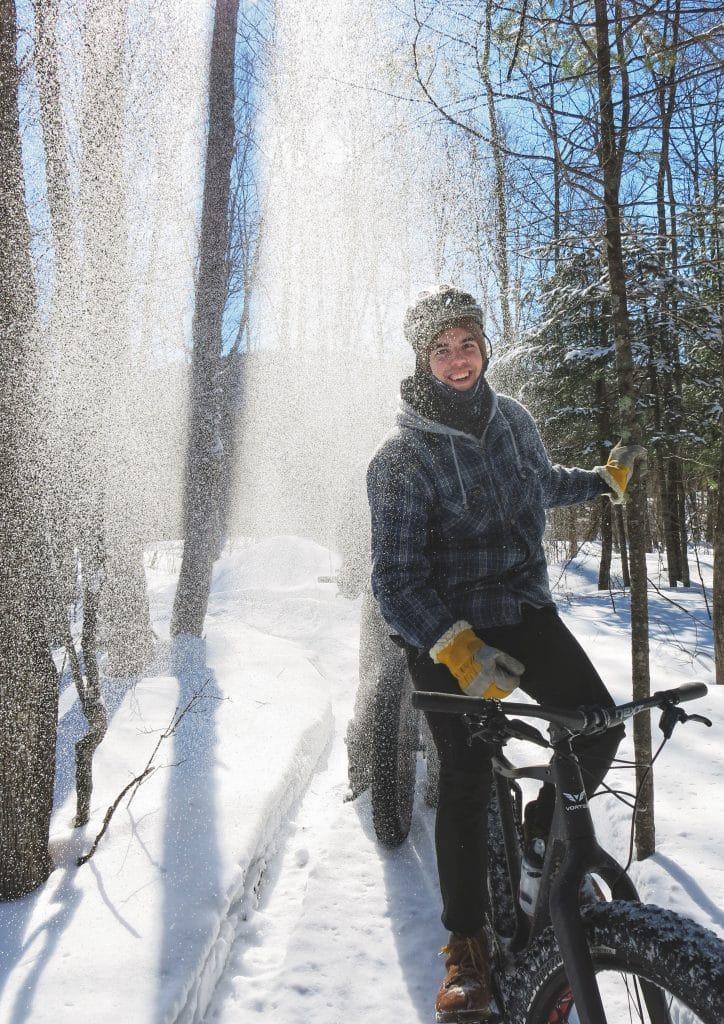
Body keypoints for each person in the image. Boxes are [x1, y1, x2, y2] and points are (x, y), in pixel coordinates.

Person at [366, 285, 643, 1020]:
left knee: (599, 724)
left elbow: (541, 484)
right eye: (442, 350)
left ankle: (539, 832)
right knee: (463, 771)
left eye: (468, 344)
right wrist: (455, 647)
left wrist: (601, 483)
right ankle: (466, 946)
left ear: (484, 346)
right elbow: (394, 580)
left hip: (523, 609)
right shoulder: (400, 458)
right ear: (423, 362)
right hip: (447, 625)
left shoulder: (514, 420)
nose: (459, 361)